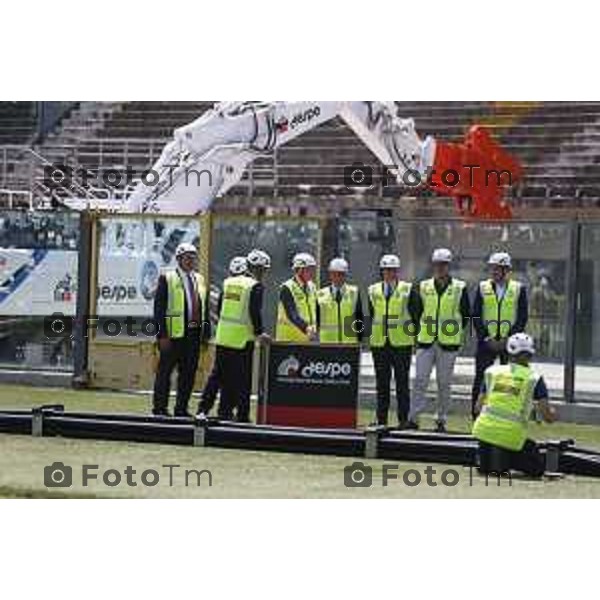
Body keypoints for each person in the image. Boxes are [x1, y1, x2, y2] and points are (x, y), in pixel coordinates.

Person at [197, 250, 271, 422]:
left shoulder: (228, 282)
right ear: (259, 269)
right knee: (243, 380)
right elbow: (254, 312)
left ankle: (203, 410)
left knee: (217, 377)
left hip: (223, 337)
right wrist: (260, 333)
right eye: (264, 269)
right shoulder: (255, 286)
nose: (264, 273)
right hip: (242, 340)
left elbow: (220, 307)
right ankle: (242, 415)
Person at [473, 333, 556, 478]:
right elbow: (548, 417)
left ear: (509, 352)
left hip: (484, 433)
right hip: (511, 438)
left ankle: (489, 461)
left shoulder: (492, 372)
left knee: (489, 462)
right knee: (536, 467)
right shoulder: (534, 378)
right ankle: (504, 461)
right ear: (531, 354)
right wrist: (554, 413)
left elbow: (478, 408)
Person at [408, 248, 471, 432]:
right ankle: (413, 418)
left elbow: (466, 314)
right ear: (433, 265)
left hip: (448, 344)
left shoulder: (459, 287)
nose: (440, 268)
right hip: (425, 341)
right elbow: (416, 312)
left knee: (444, 383)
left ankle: (441, 419)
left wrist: (454, 332)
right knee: (420, 380)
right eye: (437, 264)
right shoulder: (424, 286)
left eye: (443, 264)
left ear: (448, 266)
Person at [152, 242, 210, 417]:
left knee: (188, 374)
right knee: (165, 373)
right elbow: (159, 310)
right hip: (173, 335)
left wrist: (205, 332)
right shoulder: (167, 278)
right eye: (187, 258)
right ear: (178, 259)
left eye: (193, 257)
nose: (191, 261)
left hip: (193, 335)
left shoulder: (199, 279)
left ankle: (181, 409)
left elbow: (203, 307)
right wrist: (162, 335)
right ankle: (160, 409)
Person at [471, 251, 528, 419]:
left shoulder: (518, 289)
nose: (495, 272)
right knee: (481, 379)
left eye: (499, 269)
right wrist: (485, 337)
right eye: (493, 268)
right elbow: (476, 315)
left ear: (507, 270)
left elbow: (522, 317)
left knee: (509, 382)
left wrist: (508, 339)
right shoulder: (483, 287)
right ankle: (476, 417)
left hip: (510, 345)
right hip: (486, 343)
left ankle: (505, 415)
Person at [367, 254, 415, 427]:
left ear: (398, 271)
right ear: (382, 271)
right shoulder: (373, 290)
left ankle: (403, 420)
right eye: (386, 270)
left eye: (393, 270)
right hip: (380, 344)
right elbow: (373, 315)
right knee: (382, 384)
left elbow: (416, 314)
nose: (389, 273)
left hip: (402, 344)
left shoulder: (407, 289)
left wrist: (413, 337)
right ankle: (381, 420)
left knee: (402, 384)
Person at [316, 257, 363, 344]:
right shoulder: (320, 294)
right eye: (334, 274)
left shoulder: (354, 292)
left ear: (345, 275)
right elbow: (317, 320)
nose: (338, 277)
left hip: (349, 344)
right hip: (327, 343)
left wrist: (360, 341)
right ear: (330, 274)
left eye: (341, 274)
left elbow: (359, 318)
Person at [276, 252, 318, 343]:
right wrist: (306, 328)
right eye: (309, 269)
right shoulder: (287, 287)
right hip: (288, 340)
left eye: (313, 269)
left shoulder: (312, 287)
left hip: (307, 340)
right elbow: (292, 314)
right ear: (299, 270)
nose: (312, 273)